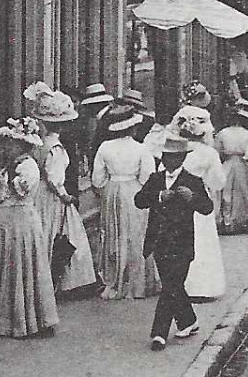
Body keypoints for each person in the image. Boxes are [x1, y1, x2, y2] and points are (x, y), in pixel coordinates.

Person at [136, 133, 216, 350]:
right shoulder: (155, 179)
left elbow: (207, 208)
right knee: (173, 286)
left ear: (181, 158)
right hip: (159, 242)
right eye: (165, 156)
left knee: (170, 285)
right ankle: (188, 320)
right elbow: (139, 201)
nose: (168, 161)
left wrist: (193, 198)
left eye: (173, 157)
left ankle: (159, 334)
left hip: (182, 244)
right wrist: (159, 196)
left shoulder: (192, 181)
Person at [0, 118, 60, 338]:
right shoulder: (10, 166)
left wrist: (9, 172)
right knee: (6, 267)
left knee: (21, 266)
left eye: (11, 143)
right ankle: (6, 320)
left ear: (22, 145)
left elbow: (20, 190)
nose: (6, 147)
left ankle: (27, 320)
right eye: (6, 143)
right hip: (5, 223)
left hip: (20, 222)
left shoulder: (28, 167)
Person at [23, 83, 98, 295]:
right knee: (60, 235)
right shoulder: (55, 147)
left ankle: (41, 278)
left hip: (39, 195)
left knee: (46, 234)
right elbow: (54, 178)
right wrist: (64, 196)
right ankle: (57, 281)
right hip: (52, 197)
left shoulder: (39, 144)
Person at [91, 111, 160, 300]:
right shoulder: (141, 148)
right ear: (133, 128)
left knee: (113, 233)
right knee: (136, 233)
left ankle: (113, 279)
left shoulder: (105, 147)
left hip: (112, 191)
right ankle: (137, 281)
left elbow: (97, 179)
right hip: (135, 191)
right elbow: (148, 176)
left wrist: (108, 185)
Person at [169, 103, 227, 300]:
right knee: (202, 241)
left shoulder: (173, 151)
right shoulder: (208, 153)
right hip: (200, 201)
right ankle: (202, 286)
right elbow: (218, 182)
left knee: (178, 241)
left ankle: (180, 285)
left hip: (176, 200)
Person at [214, 101, 248, 235]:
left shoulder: (223, 133)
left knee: (226, 193)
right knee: (244, 193)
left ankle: (227, 222)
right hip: (242, 163)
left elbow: (217, 151)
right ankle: (244, 221)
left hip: (228, 164)